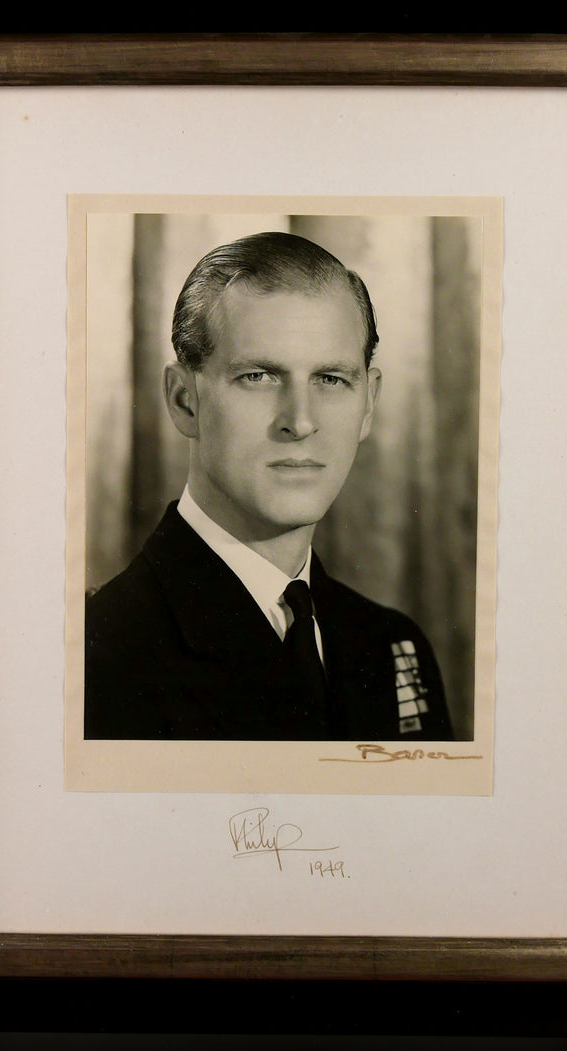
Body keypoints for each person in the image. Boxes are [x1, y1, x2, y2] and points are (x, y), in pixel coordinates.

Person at [85, 231, 452, 741]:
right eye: (259, 376)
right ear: (183, 401)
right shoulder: (94, 655)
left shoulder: (392, 647)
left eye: (330, 379)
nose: (299, 422)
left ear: (368, 403)